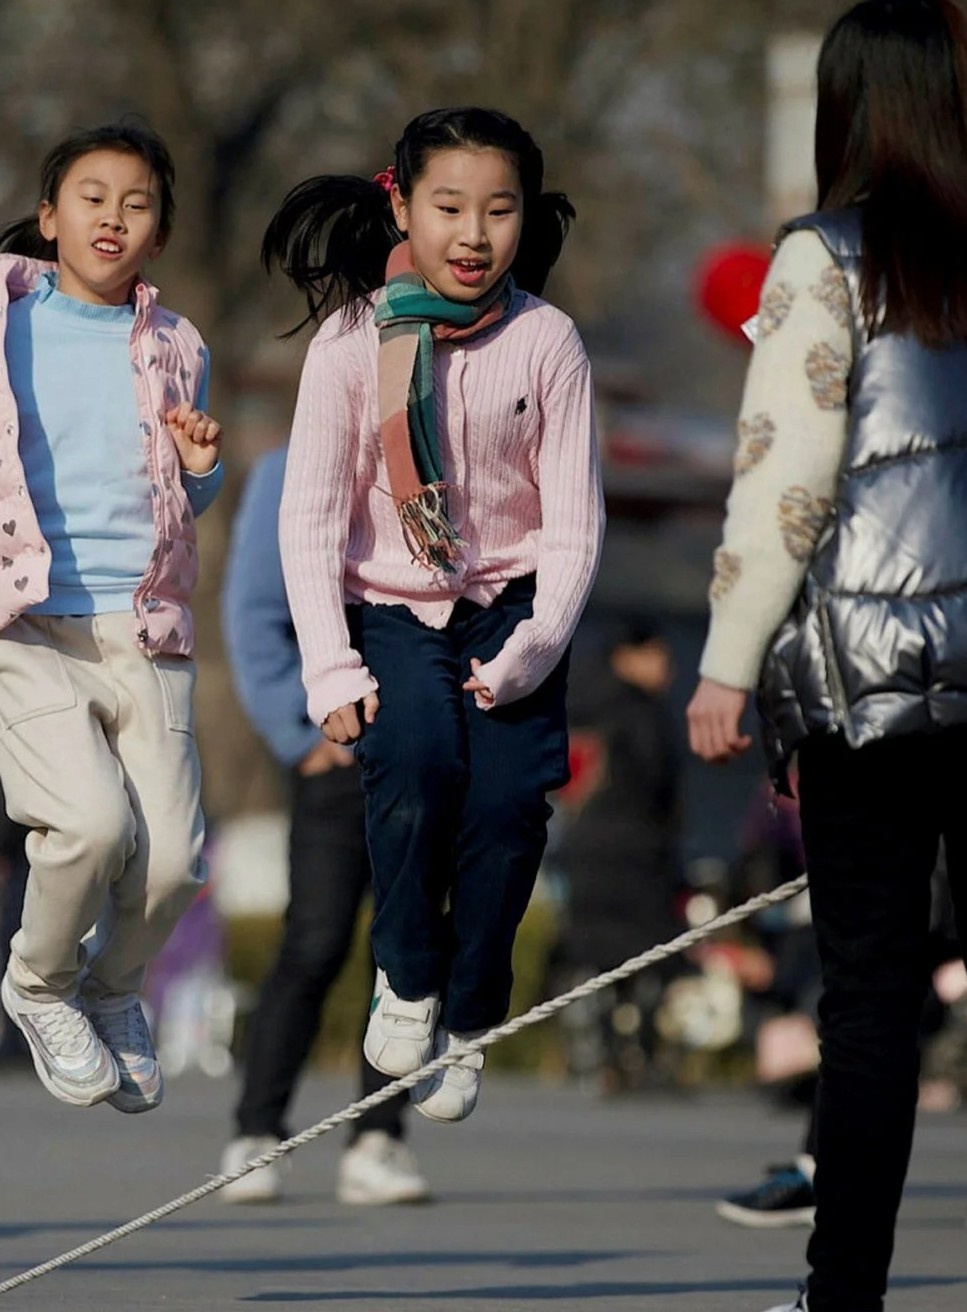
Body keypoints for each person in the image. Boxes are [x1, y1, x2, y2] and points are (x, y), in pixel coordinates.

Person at [683, 5, 967, 1309]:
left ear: (845, 107)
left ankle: (842, 1292)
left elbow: (784, 478)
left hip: (876, 673)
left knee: (868, 993)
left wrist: (725, 659)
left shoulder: (826, 255)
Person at [271, 106, 604, 1125]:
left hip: (513, 607)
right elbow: (311, 514)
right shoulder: (346, 344)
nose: (473, 234)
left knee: (506, 812)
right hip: (391, 609)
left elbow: (576, 518)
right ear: (401, 206)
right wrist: (328, 668)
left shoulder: (549, 342)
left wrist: (538, 645)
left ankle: (473, 1014)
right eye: (449, 207)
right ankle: (408, 978)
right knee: (414, 769)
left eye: (497, 210)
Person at [0, 123, 224, 1112]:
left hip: (145, 627)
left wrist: (204, 470)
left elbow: (180, 504)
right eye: (92, 196)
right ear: (49, 218)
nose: (114, 216)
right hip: (26, 620)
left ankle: (114, 992)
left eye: (137, 201)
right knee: (85, 823)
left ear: (158, 231)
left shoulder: (178, 346)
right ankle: (37, 986)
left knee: (175, 858)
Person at [215, 445, 430, 1206]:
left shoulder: (443, 451)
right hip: (335, 749)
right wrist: (296, 732)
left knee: (405, 949)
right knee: (313, 939)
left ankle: (377, 1139)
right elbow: (252, 612)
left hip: (426, 746)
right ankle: (254, 1132)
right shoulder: (289, 467)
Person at [550, 620, 685, 1092]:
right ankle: (639, 1057)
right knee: (650, 957)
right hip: (633, 854)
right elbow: (656, 784)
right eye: (660, 658)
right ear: (630, 655)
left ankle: (595, 1058)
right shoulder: (639, 711)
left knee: (592, 957)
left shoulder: (577, 700)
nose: (668, 670)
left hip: (584, 849)